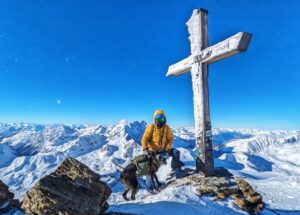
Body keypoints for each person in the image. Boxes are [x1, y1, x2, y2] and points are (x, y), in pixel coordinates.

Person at [141, 110, 183, 178]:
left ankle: (175, 170)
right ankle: (150, 183)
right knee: (150, 168)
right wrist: (145, 148)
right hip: (153, 152)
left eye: (162, 119)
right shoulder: (151, 127)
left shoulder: (167, 128)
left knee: (176, 152)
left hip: (163, 150)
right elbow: (144, 139)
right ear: (155, 119)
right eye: (159, 119)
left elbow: (170, 140)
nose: (161, 121)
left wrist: (167, 149)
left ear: (165, 119)